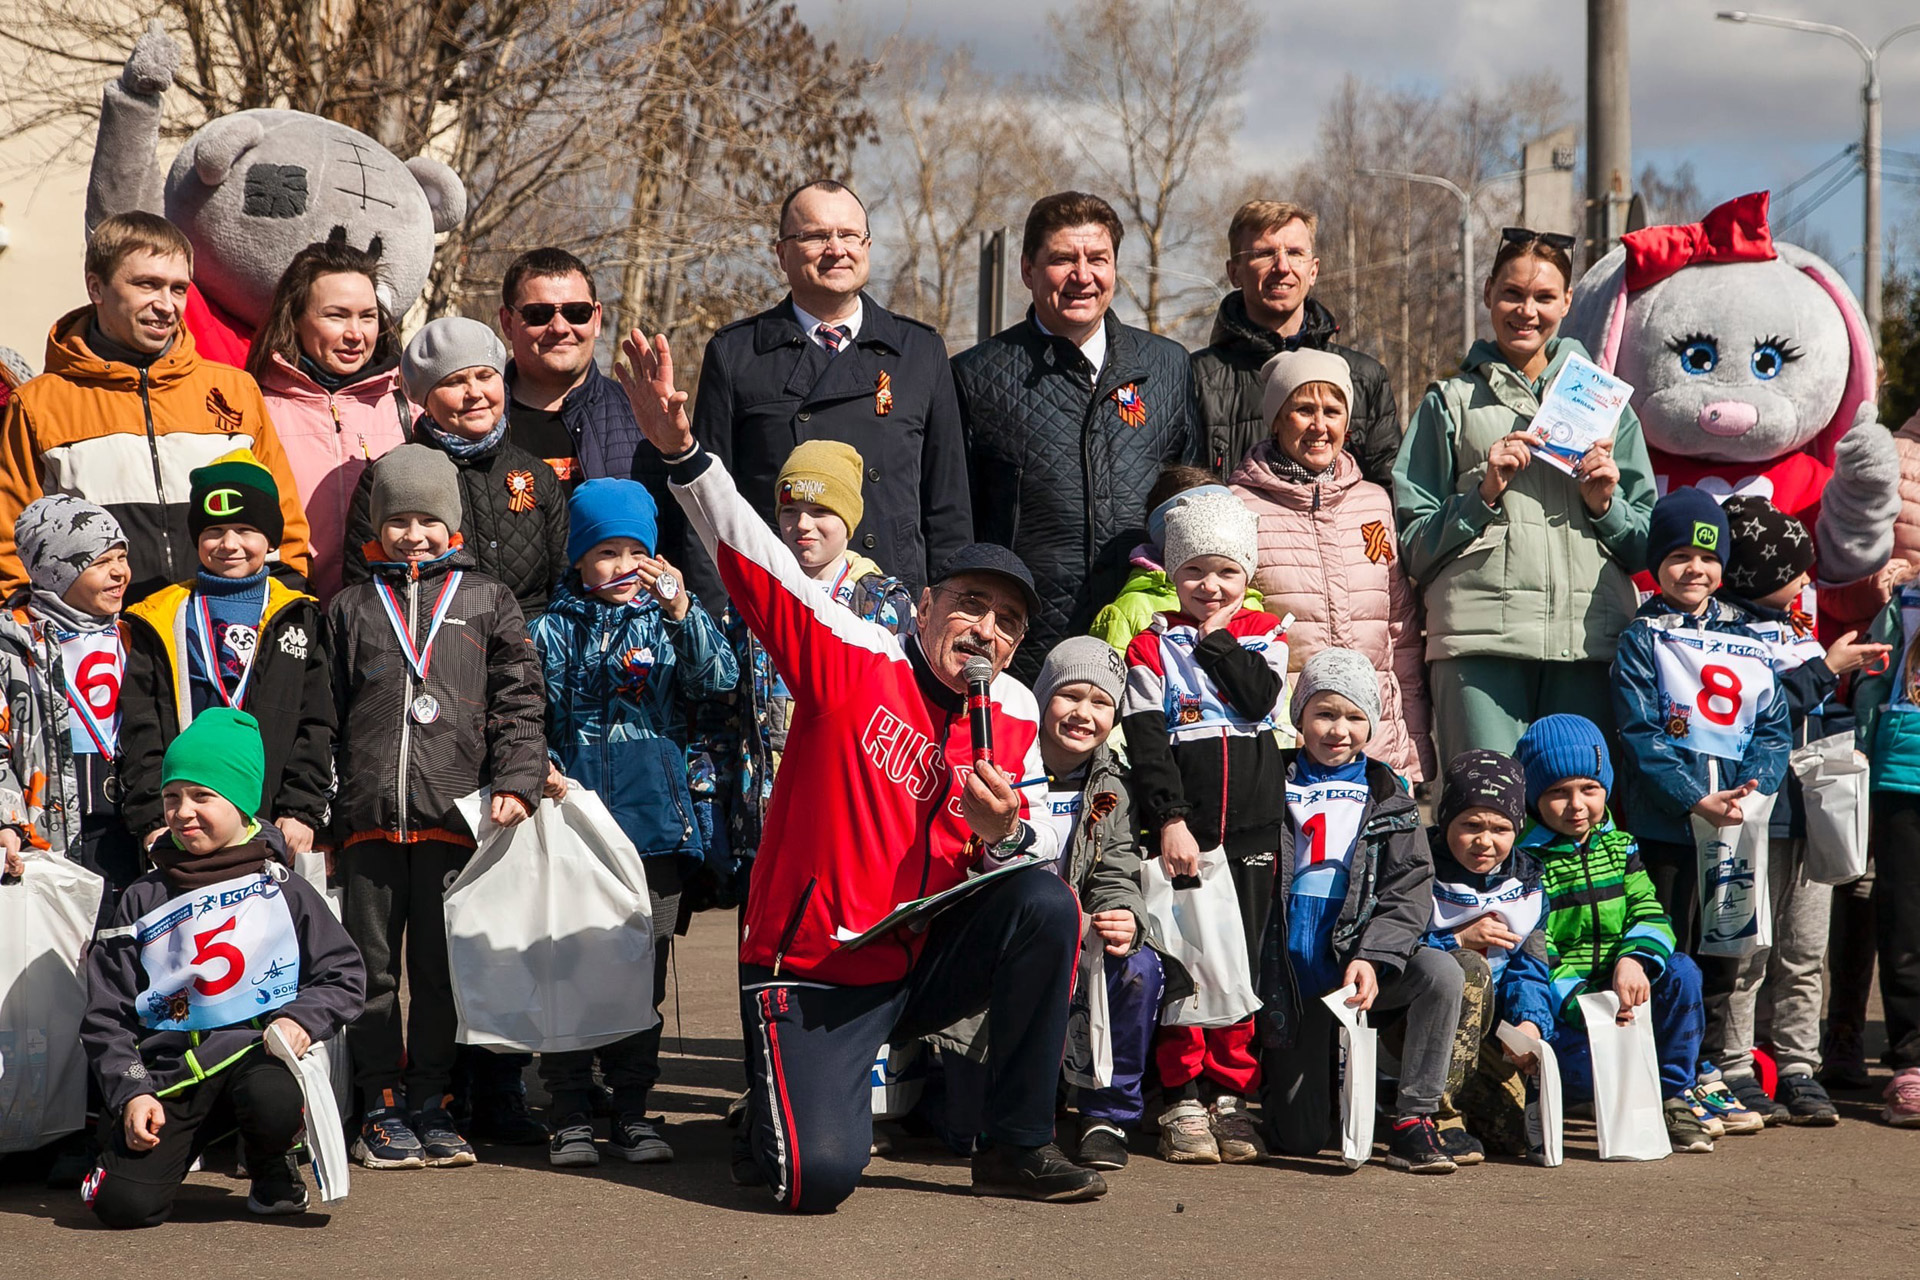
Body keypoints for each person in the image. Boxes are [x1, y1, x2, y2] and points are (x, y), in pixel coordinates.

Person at [618, 326, 1103, 1208]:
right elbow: (758, 561)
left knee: (1043, 900)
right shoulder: (856, 655)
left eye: (1006, 623)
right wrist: (684, 454)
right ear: (925, 607)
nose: (984, 630)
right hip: (816, 964)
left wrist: (1005, 837)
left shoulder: (1015, 717)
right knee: (815, 1180)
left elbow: (1017, 852)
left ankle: (1017, 1145)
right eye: (969, 606)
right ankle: (776, 1114)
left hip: (918, 958)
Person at [328, 444, 546, 1171]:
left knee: (443, 970)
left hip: (455, 817)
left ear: (451, 526)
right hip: (367, 821)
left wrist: (517, 778)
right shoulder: (350, 608)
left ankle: (433, 1100)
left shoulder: (489, 601)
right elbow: (322, 718)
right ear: (377, 526)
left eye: (428, 520)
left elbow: (520, 700)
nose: (413, 534)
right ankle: (381, 1104)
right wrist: (322, 808)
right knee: (371, 970)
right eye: (399, 520)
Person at [79, 708, 366, 1227]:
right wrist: (132, 1090)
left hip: (256, 1063)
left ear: (241, 803)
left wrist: (301, 1020)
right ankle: (174, 1149)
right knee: (119, 1208)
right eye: (172, 797)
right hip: (168, 1076)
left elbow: (344, 976)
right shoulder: (141, 898)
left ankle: (271, 1159)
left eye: (202, 796)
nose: (183, 812)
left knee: (271, 1095)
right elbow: (107, 1015)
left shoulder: (284, 888)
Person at [529, 478, 738, 1168]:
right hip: (575, 828)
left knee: (641, 975)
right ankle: (568, 1112)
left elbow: (721, 681)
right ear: (580, 559)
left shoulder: (672, 619)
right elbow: (528, 716)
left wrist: (682, 609)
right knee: (569, 968)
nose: (621, 566)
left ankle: (633, 1111)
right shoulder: (551, 629)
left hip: (655, 829)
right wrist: (545, 773)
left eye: (634, 552)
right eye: (605, 553)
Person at [1393, 229, 1656, 762]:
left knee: (1576, 825)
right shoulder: (1451, 403)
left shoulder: (1607, 407)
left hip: (1587, 644)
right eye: (1512, 293)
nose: (1526, 311)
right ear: (1488, 292)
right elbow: (1413, 547)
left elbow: (1645, 546)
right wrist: (1482, 493)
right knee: (1485, 822)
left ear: (1567, 302)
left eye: (1543, 297)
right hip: (1479, 644)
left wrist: (1603, 504)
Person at [662, 179, 971, 607]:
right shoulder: (738, 354)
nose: (836, 248)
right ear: (782, 253)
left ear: (867, 245)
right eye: (815, 236)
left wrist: (946, 613)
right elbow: (710, 507)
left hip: (890, 613)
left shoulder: (920, 351)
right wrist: (715, 626)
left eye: (849, 235)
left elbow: (947, 508)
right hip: (777, 607)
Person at [938, 636, 1170, 1173]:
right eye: (1070, 696)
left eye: (1101, 702)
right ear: (1042, 698)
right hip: (1003, 934)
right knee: (958, 1130)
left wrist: (1123, 914)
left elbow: (1116, 866)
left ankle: (1104, 1114)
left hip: (1081, 934)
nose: (1084, 714)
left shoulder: (1115, 783)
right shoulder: (1000, 759)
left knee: (1138, 963)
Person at [0, 212, 310, 601]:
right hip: (104, 645)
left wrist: (286, 607)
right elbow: (11, 545)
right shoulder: (38, 405)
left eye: (178, 289)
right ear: (96, 287)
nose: (166, 304)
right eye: (147, 284)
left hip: (220, 638)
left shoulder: (235, 389)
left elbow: (284, 524)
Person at [955, 190, 1200, 684]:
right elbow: (956, 523)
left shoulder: (1168, 367)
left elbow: (1190, 510)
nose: (1082, 276)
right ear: (1027, 270)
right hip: (1023, 653)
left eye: (1098, 259)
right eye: (1063, 259)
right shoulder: (974, 377)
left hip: (1148, 650)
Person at [1610, 487, 1789, 1137]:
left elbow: (1773, 726)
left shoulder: (1750, 635)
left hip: (1734, 829)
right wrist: (1693, 798)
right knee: (1670, 949)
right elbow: (1638, 733)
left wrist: (1755, 788)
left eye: (1707, 559)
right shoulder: (1642, 638)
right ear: (1656, 562)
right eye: (1679, 555)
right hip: (1667, 827)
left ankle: (1706, 1069)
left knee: (1723, 953)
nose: (1695, 570)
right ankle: (1664, 1075)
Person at [1118, 492, 1286, 1165]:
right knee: (1185, 962)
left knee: (1241, 963)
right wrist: (1169, 822)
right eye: (1193, 572)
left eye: (1224, 572)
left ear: (1246, 575)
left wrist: (1216, 640)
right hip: (1185, 835)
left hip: (1252, 834)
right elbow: (1147, 742)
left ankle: (1231, 1096)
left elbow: (1257, 698)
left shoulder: (1265, 634)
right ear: (1170, 575)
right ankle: (1182, 1095)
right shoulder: (1148, 643)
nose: (1209, 587)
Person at [1255, 648, 1460, 1172]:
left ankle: (1415, 1117)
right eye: (1324, 713)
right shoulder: (1269, 778)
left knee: (1440, 973)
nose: (1337, 730)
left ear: (1372, 725)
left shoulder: (1390, 792)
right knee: (1297, 1141)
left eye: (1353, 717)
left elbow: (1409, 885)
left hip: (1356, 966)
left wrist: (1374, 954)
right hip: (1288, 975)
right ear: (1298, 715)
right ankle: (1303, 1081)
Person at [1709, 495, 1879, 1126]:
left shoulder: (1794, 630)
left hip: (1814, 815)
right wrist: (1824, 671)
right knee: (1748, 948)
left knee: (1806, 948)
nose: (1809, 580)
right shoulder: (1724, 633)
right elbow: (1759, 711)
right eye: (1797, 569)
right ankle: (1735, 1065)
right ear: (1759, 574)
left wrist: (1844, 686)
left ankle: (1799, 1065)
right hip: (1759, 815)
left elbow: (1820, 715)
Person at [1230, 347, 1435, 782]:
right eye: (1303, 409)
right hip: (1285, 742)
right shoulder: (1239, 508)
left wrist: (1412, 747)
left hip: (1373, 744)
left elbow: (1400, 634)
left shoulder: (1374, 504)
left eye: (1333, 410)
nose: (1320, 426)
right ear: (1276, 418)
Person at [1513, 714, 1716, 1154]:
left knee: (1682, 972)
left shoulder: (1623, 846)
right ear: (1532, 797)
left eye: (1589, 788)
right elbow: (1535, 947)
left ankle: (1669, 1096)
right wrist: (1583, 1001)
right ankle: (1561, 1096)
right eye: (1557, 793)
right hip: (1569, 1008)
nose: (1577, 805)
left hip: (1623, 994)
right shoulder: (1524, 861)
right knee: (1569, 1065)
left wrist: (1634, 960)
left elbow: (1649, 910)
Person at [119, 449, 333, 862]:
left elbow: (317, 721)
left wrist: (300, 809)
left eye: (245, 530)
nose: (229, 544)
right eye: (214, 531)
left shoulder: (299, 615)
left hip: (272, 826)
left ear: (270, 539)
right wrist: (152, 819)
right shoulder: (157, 617)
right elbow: (140, 724)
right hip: (183, 825)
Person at [344, 317, 569, 617]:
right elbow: (364, 593)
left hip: (528, 654)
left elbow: (565, 585)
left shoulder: (537, 475)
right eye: (454, 382)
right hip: (433, 652)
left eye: (485, 376)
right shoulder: (386, 476)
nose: (474, 392)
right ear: (426, 398)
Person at [245, 231, 412, 603]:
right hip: (288, 611)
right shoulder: (254, 405)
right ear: (296, 317)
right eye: (336, 316)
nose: (355, 333)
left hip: (385, 617)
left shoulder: (408, 405)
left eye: (367, 317)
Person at [1190, 200, 1399, 482]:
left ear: (1313, 270)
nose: (1282, 266)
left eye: (1295, 253)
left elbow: (1388, 495)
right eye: (1264, 253)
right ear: (1234, 272)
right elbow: (1182, 491)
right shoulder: (1196, 379)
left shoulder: (1365, 378)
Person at [1419, 750, 1556, 1165]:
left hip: (1488, 1029)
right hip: (1414, 1026)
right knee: (1468, 967)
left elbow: (1530, 967)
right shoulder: (1418, 867)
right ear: (1446, 823)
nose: (1485, 841)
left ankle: (1466, 1104)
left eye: (1501, 828)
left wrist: (1531, 1022)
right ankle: (1436, 1116)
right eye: (1471, 825)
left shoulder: (1528, 885)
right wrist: (1456, 938)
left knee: (1515, 1137)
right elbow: (1391, 942)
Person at [0, 497, 138, 905]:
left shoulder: (136, 635)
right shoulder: (12, 645)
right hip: (46, 835)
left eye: (122, 557)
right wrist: (7, 822)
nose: (119, 572)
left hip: (130, 827)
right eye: (100, 563)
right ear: (56, 570)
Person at [1847, 548, 1920, 1127]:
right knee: (1905, 923)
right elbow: (1872, 686)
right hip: (1904, 775)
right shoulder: (1906, 602)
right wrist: (1866, 760)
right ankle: (1911, 1062)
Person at [497, 247, 648, 486]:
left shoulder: (644, 418)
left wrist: (680, 449)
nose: (559, 327)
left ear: (596, 319)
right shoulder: (476, 420)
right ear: (507, 322)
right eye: (538, 314)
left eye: (576, 312)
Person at [1090, 465, 1262, 652]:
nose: (1211, 586)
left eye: (1227, 570)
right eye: (1194, 568)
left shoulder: (1248, 603)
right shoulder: (1131, 609)